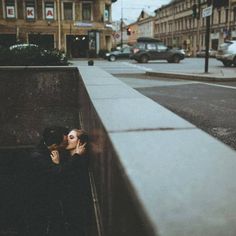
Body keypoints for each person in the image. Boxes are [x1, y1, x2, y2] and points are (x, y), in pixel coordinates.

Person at [28, 126, 84, 236]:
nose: (67, 141)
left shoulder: (50, 148)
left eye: (70, 138)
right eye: (64, 142)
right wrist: (76, 155)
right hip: (40, 201)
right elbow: (57, 173)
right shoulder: (38, 157)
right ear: (55, 145)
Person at [62, 129, 91, 236]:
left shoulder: (81, 162)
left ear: (80, 142)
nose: (66, 140)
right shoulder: (65, 159)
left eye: (71, 137)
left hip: (76, 210)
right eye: (67, 137)